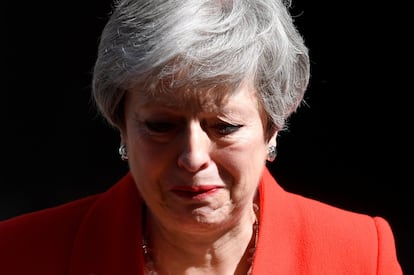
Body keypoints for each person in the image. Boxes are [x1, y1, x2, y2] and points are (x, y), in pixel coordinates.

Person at [0, 0, 403, 274]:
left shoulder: (360, 254)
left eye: (224, 126)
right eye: (161, 125)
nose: (193, 157)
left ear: (273, 125)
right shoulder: (20, 254)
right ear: (120, 122)